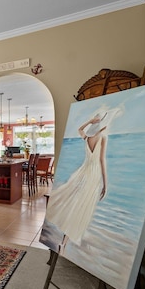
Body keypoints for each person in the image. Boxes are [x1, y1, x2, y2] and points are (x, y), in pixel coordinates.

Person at [45, 108, 119, 252]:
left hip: (82, 172)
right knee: (81, 207)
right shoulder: (103, 137)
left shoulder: (87, 138)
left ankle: (64, 241)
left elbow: (80, 129)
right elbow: (102, 161)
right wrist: (106, 183)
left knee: (75, 203)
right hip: (93, 175)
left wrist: (90, 121)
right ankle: (65, 242)